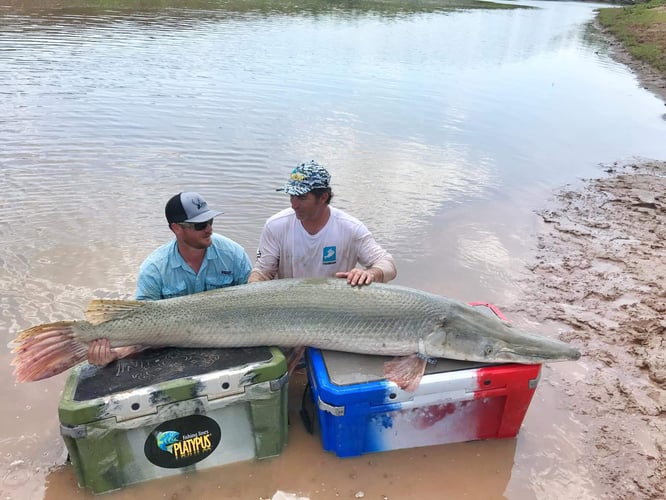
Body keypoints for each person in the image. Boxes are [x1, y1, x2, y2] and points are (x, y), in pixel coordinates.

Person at [87, 191, 253, 366]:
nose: (209, 229)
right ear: (176, 228)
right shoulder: (154, 269)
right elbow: (141, 328)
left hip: (229, 340)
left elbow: (253, 305)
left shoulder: (234, 255)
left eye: (210, 221)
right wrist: (113, 352)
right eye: (200, 225)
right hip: (174, 352)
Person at [248, 160, 397, 286]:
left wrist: (370, 273)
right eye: (292, 196)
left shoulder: (350, 229)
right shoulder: (275, 226)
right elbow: (262, 272)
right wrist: (254, 284)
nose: (294, 204)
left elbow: (388, 265)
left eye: (302, 198)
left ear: (323, 197)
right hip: (290, 307)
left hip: (335, 308)